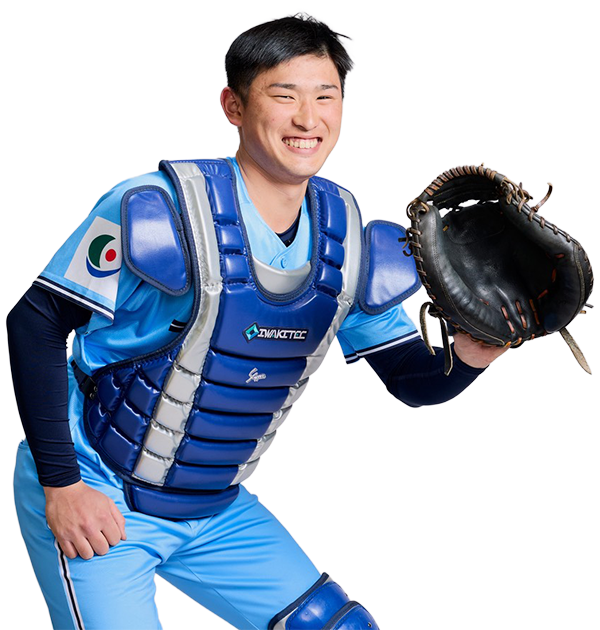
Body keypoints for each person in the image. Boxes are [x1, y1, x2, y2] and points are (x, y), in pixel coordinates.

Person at [7, 13, 508, 630]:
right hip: (99, 490)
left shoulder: (346, 238)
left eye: (325, 96)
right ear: (234, 106)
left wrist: (478, 348)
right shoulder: (157, 208)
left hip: (214, 507)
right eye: (284, 95)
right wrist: (61, 486)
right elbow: (34, 323)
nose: (308, 118)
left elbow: (411, 380)